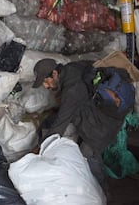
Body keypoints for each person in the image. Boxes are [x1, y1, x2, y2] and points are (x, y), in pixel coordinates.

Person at [32, 58, 134, 189]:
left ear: (54, 74)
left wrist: (41, 148)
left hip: (105, 123)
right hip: (104, 113)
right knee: (55, 123)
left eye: (46, 81)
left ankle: (102, 191)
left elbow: (60, 125)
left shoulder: (71, 91)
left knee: (88, 154)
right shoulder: (73, 67)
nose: (46, 86)